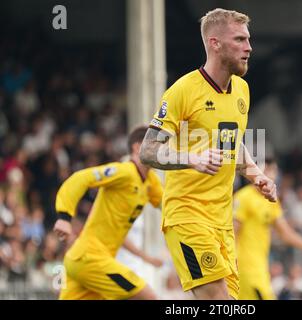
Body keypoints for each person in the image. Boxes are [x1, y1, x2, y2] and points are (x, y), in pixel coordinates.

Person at [140, 8, 277, 300]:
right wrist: (192, 158)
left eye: (248, 39)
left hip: (222, 222)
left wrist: (256, 175)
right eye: (239, 39)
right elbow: (148, 150)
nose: (249, 48)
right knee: (219, 301)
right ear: (215, 43)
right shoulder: (183, 91)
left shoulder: (241, 89)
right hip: (188, 216)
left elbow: (233, 143)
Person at [53, 126, 163, 300]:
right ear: (137, 147)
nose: (162, 150)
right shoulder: (124, 172)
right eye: (157, 144)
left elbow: (168, 205)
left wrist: (146, 258)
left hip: (89, 262)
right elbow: (80, 178)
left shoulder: (150, 181)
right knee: (148, 297)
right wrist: (64, 217)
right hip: (90, 259)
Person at [234, 158, 302, 300]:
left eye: (275, 172)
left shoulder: (270, 199)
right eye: (271, 171)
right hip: (245, 268)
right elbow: (232, 232)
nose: (273, 175)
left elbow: (286, 233)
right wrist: (232, 264)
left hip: (261, 267)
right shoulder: (243, 198)